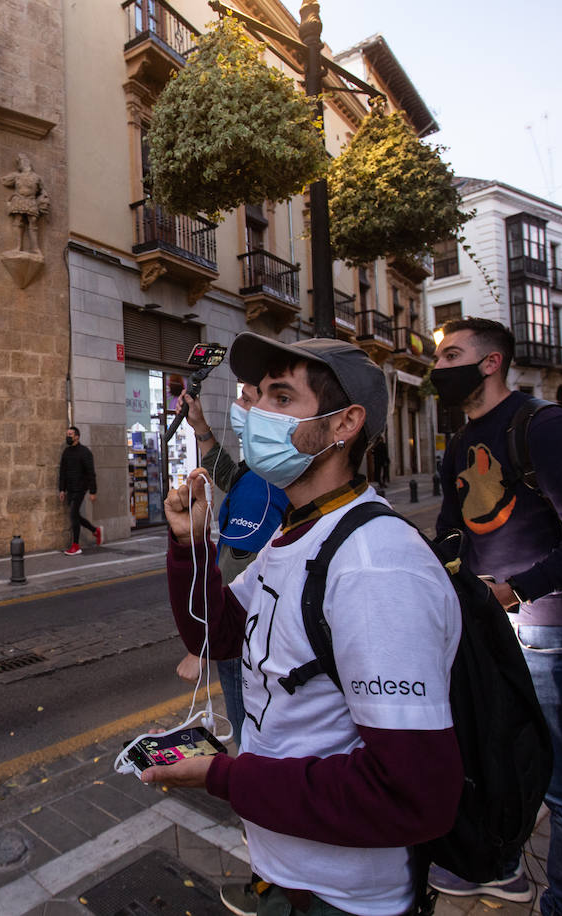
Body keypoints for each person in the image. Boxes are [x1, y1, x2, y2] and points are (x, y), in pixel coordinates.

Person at [150, 333, 463, 916]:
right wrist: (191, 546)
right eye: (256, 396)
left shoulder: (376, 568)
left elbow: (412, 794)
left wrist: (224, 777)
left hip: (346, 897)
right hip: (291, 873)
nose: (254, 412)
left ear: (344, 424)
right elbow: (216, 634)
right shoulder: (297, 533)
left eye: (280, 396)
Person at [428, 317, 562, 914]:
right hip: (486, 625)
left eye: (451, 356)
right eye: (439, 359)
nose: (438, 368)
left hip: (550, 632)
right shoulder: (463, 438)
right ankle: (500, 865)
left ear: (491, 363)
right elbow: (453, 527)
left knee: (561, 781)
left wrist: (516, 592)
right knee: (493, 755)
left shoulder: (545, 427)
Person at [173, 383, 289, 752]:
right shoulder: (262, 473)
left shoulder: (261, 489)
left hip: (243, 640)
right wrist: (201, 428)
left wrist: (203, 644)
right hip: (257, 634)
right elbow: (229, 476)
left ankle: (250, 796)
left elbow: (238, 570)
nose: (237, 404)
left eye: (247, 398)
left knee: (248, 729)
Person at [58, 426, 100, 556]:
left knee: (73, 515)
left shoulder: (85, 452)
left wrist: (93, 491)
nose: (68, 437)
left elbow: (91, 473)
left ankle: (76, 546)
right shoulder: (66, 452)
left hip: (80, 489)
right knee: (75, 515)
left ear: (77, 436)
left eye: (70, 434)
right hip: (70, 489)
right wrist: (62, 489)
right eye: (67, 434)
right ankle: (95, 530)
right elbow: (62, 472)